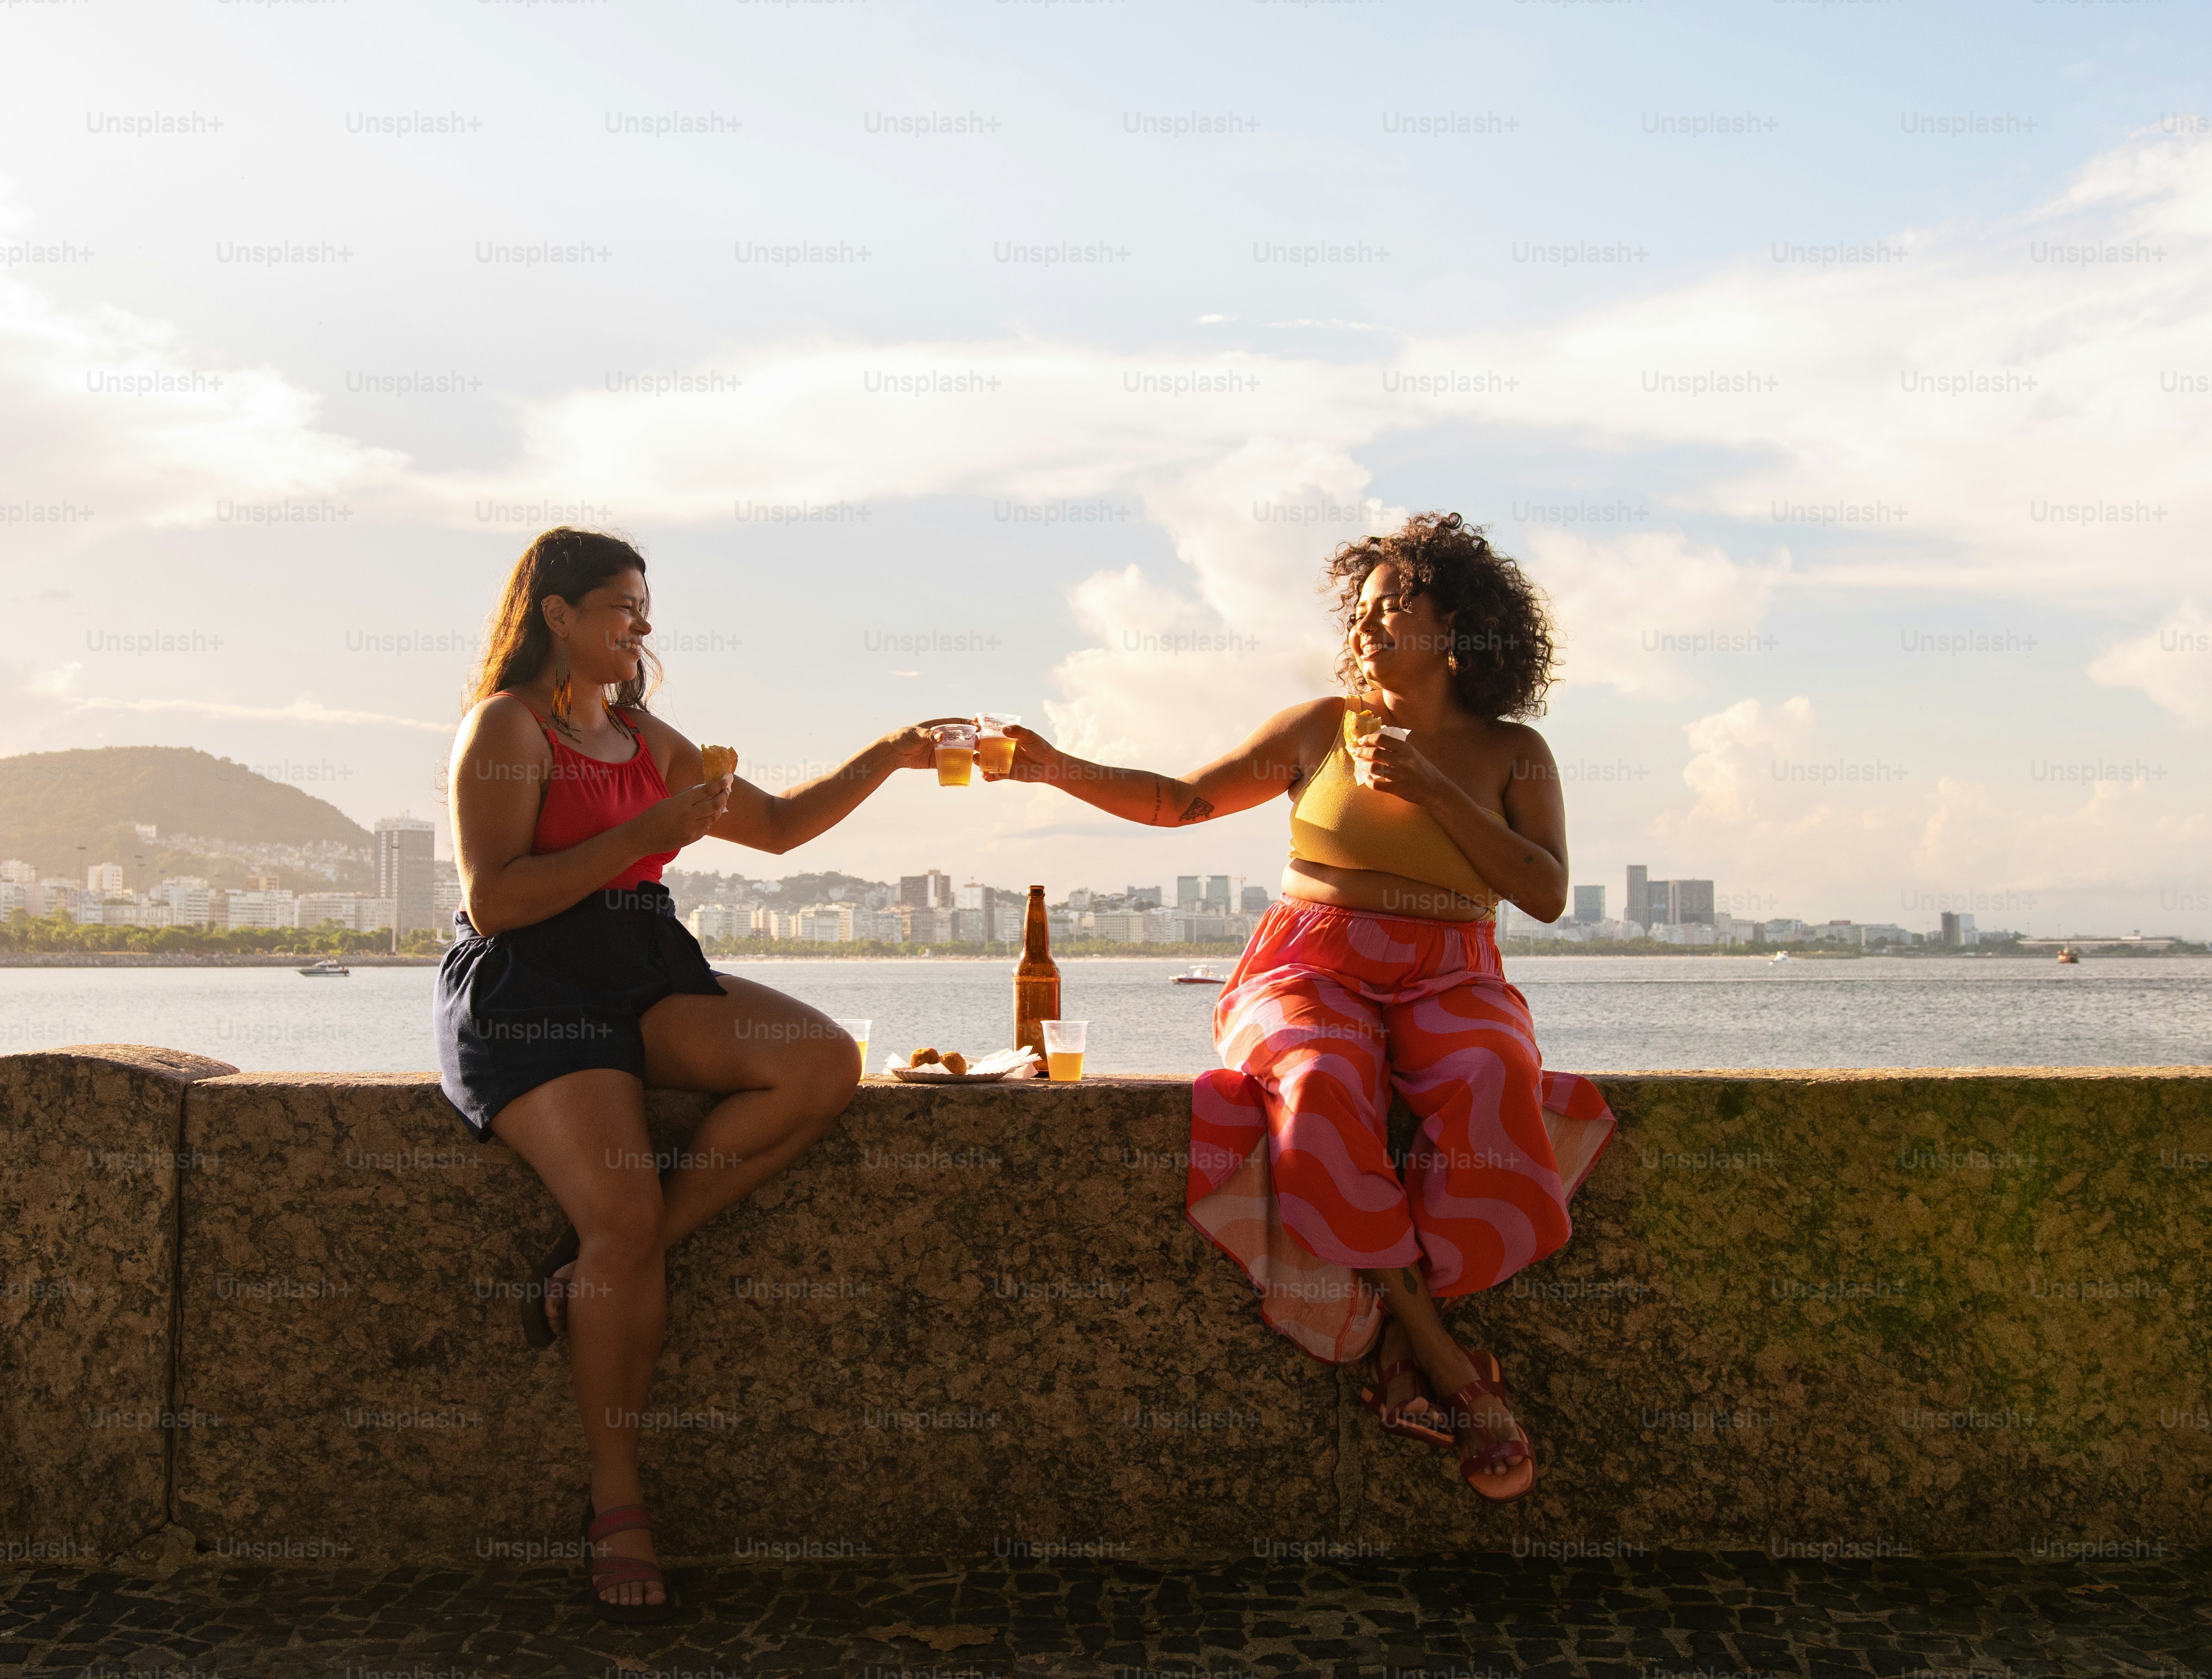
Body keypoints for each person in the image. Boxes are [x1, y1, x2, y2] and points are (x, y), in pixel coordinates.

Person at [988, 510, 1615, 1504]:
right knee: (1320, 1077)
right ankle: (1443, 1358)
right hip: (1307, 965)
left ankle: (1402, 1335)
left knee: (1495, 1073)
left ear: (1460, 626)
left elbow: (1545, 891)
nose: (1366, 631)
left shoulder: (1511, 750)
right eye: (1360, 613)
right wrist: (1050, 762)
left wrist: (1435, 790)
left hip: (1453, 968)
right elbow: (1180, 798)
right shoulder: (1324, 726)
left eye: (1392, 611)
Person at [437, 527, 956, 1615]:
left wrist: (892, 751)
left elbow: (773, 828)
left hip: (639, 961)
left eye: (645, 606)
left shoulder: (632, 728)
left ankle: (592, 1275)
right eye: (622, 606)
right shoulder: (507, 725)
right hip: (536, 988)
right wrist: (649, 835)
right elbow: (497, 900)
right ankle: (618, 1501)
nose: (642, 625)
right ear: (557, 614)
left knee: (818, 1064)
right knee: (616, 1214)